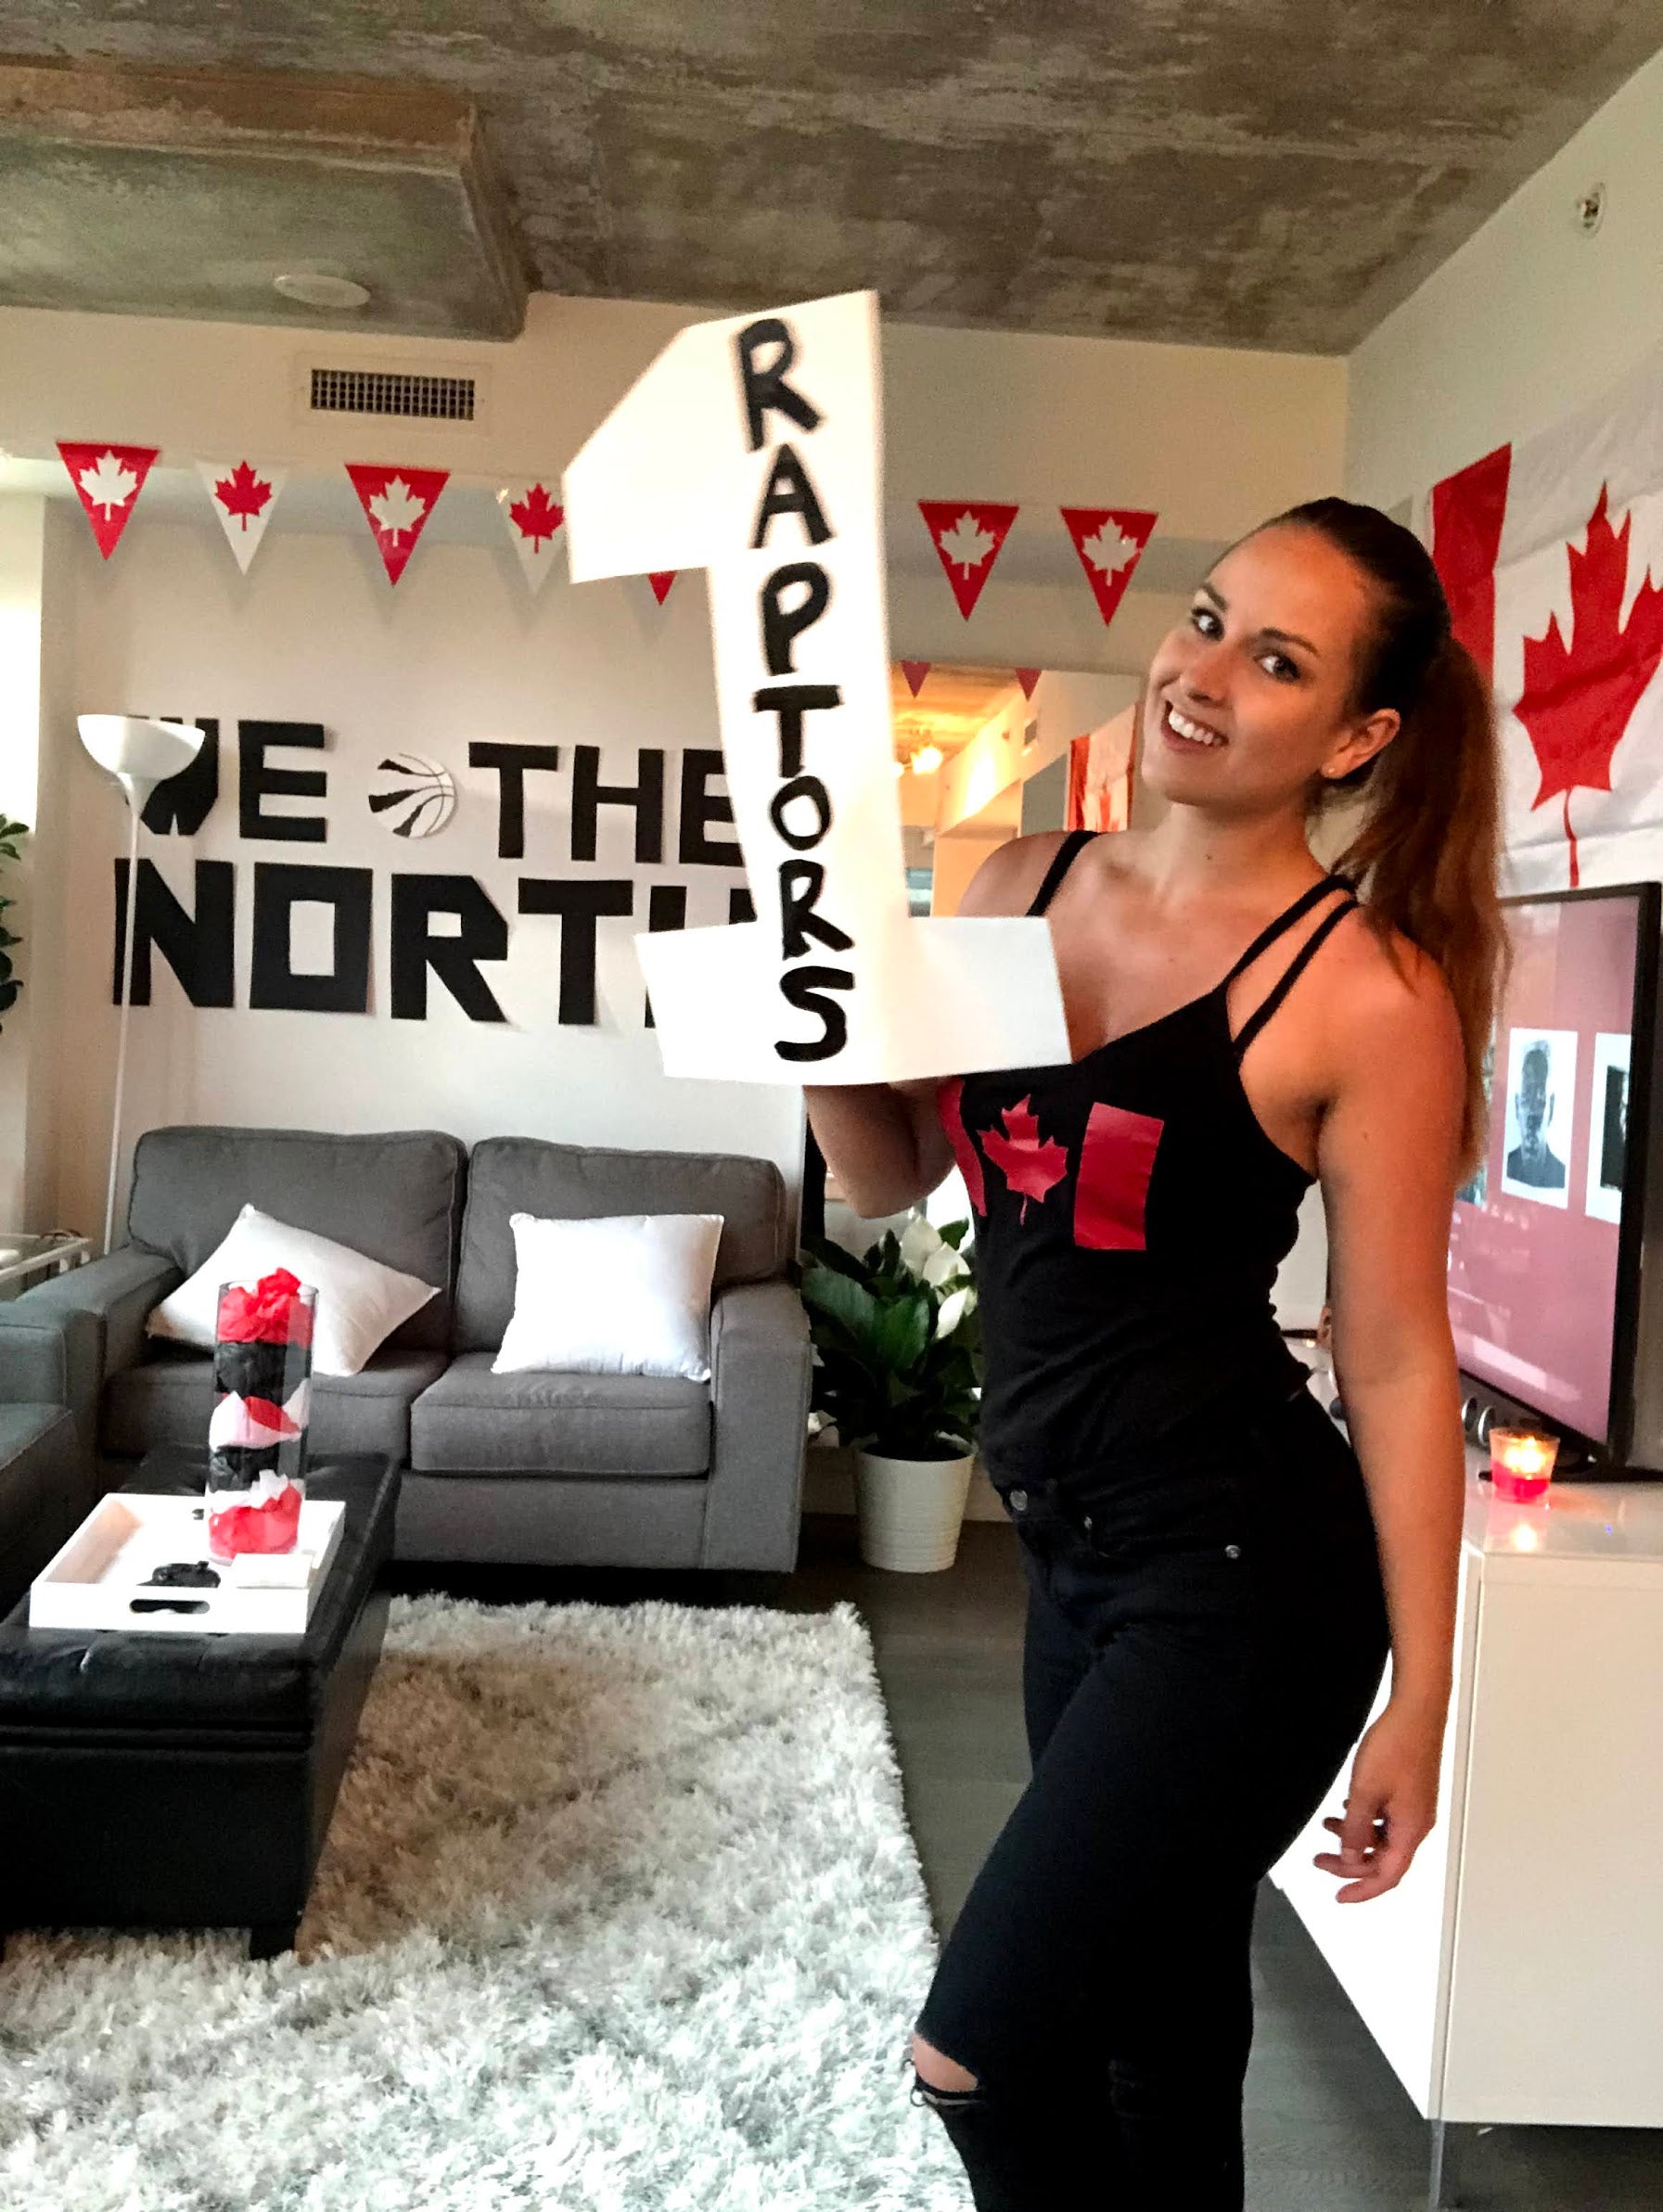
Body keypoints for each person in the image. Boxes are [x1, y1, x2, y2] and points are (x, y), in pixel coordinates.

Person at [802, 496, 1504, 2209]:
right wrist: (813, 1022)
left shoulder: (1364, 992)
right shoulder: (1012, 879)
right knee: (1155, 2039)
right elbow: (893, 1176)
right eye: (1203, 619)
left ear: (1354, 736)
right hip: (1071, 1560)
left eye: (1275, 660)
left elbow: (1399, 1357)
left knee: (976, 2052)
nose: (1202, 673)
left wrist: (1424, 1694)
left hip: (1244, 1581)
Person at [1504, 1038, 1567, 1189]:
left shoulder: (1560, 1175)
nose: (1532, 1111)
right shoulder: (1508, 1165)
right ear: (1516, 1106)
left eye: (1540, 1097)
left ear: (1551, 1108)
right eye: (1527, 1095)